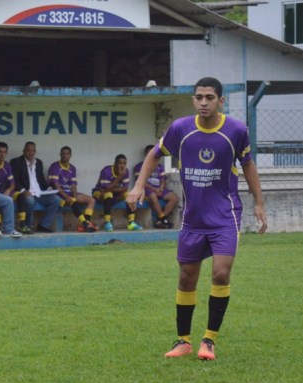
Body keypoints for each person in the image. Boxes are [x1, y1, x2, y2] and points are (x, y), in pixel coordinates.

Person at [127, 76, 267, 360]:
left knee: (221, 272)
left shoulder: (236, 130)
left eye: (209, 98)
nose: (204, 102)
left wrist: (259, 203)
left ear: (220, 101)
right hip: (193, 220)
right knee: (187, 277)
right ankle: (183, 341)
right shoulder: (181, 129)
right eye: (199, 97)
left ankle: (209, 341)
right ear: (193, 100)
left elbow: (248, 165)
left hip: (225, 217)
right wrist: (139, 185)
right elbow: (154, 155)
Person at [9, 141, 60, 233]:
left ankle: (44, 225)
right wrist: (23, 190)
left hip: (39, 193)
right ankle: (27, 226)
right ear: (23, 151)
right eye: (28, 150)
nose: (30, 153)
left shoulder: (39, 162)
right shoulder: (16, 162)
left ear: (35, 151)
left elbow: (41, 179)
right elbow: (14, 180)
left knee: (56, 200)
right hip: (26, 193)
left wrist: (49, 188)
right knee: (30, 200)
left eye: (33, 151)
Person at [48, 146, 97, 232]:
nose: (65, 155)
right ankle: (85, 224)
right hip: (58, 194)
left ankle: (87, 222)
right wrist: (66, 196)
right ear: (60, 154)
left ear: (70, 155)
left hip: (69, 194)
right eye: (63, 153)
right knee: (72, 201)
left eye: (67, 153)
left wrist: (75, 195)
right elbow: (55, 185)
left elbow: (73, 185)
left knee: (91, 200)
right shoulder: (55, 166)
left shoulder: (72, 168)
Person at [92, 154, 142, 231]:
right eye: (120, 163)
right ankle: (107, 222)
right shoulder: (107, 171)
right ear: (115, 163)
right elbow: (106, 189)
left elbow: (125, 189)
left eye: (124, 163)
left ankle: (131, 223)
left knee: (128, 195)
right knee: (108, 194)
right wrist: (119, 177)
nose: (122, 165)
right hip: (99, 192)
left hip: (114, 194)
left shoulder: (126, 171)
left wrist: (112, 188)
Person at [133, 144, 178, 228]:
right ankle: (163, 218)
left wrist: (161, 188)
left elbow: (163, 180)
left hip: (158, 189)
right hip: (147, 190)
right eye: (149, 153)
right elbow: (141, 182)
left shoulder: (161, 167)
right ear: (146, 155)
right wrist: (155, 190)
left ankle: (160, 219)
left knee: (173, 197)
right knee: (153, 196)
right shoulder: (139, 167)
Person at [0, 141, 22, 237]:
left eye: (4, 152)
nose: (2, 154)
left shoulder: (6, 165)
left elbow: (12, 184)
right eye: (0, 152)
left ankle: (9, 230)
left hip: (0, 194)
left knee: (9, 200)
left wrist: (8, 191)